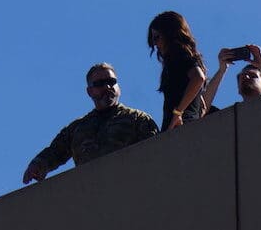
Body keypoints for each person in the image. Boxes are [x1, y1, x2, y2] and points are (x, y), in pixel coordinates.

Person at [22, 63, 159, 184]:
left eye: (111, 81)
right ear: (89, 92)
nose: (107, 86)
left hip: (129, 188)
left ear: (119, 87)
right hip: (91, 196)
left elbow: (155, 152)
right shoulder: (77, 128)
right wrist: (37, 165)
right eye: (99, 84)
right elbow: (54, 152)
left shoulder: (138, 119)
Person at [147, 11, 207, 131]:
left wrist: (178, 112)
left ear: (170, 35)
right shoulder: (182, 58)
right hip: (182, 124)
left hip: (180, 125)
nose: (155, 44)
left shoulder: (179, 56)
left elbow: (198, 78)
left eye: (157, 37)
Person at [202, 44, 261, 108]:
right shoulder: (229, 117)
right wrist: (222, 70)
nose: (246, 77)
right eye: (241, 77)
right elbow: (201, 108)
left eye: (253, 76)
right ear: (238, 89)